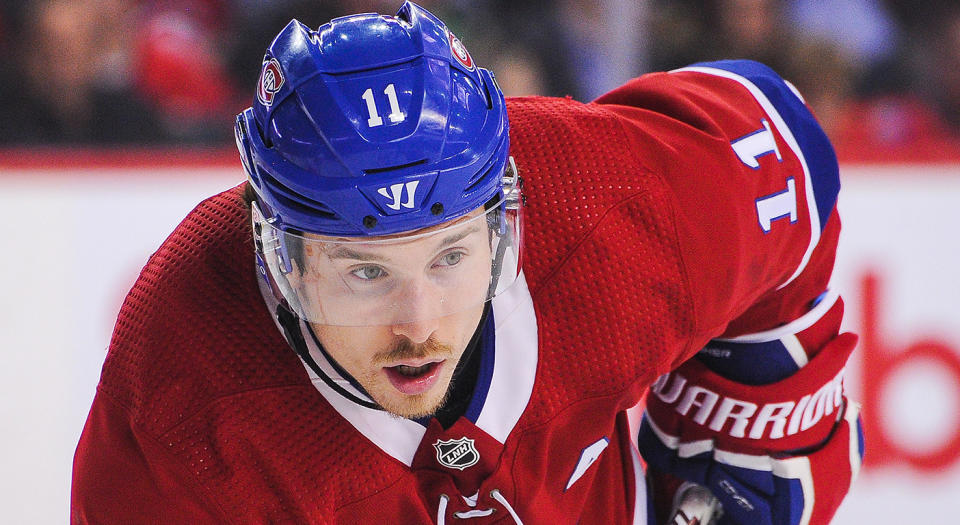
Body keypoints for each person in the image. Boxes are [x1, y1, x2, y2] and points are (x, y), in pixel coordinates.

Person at [71, 3, 863, 523]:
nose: (418, 326)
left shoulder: (595, 201)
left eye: (450, 256)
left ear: (505, 220)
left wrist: (745, 435)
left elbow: (782, 146)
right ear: (282, 260)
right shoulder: (181, 392)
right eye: (364, 273)